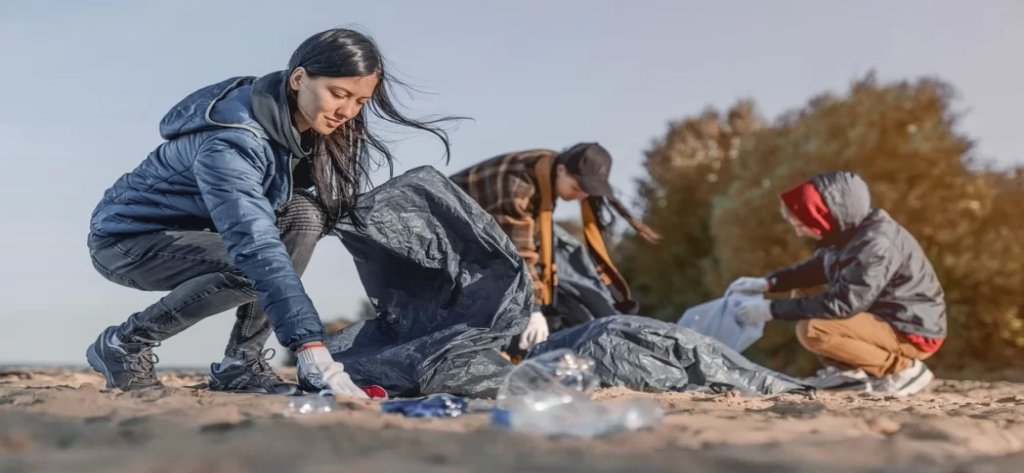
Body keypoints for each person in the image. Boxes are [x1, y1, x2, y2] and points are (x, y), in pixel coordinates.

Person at [86, 28, 453, 396]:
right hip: (127, 241)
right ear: (298, 79)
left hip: (205, 232)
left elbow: (292, 221)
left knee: (304, 214)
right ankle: (124, 344)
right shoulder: (233, 142)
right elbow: (254, 243)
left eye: (360, 101)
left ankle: (240, 363)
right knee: (254, 263)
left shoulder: (302, 130)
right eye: (338, 94)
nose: (348, 111)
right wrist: (311, 347)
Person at [727, 171, 947, 396]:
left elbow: (844, 304)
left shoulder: (876, 243)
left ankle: (903, 370)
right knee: (802, 290)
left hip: (912, 329)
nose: (799, 233)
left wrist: (770, 309)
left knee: (813, 329)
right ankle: (849, 373)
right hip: (885, 315)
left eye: (802, 225)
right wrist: (767, 283)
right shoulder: (846, 232)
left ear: (823, 215)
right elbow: (815, 270)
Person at [450, 143, 659, 350]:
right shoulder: (519, 188)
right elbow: (518, 252)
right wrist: (533, 309)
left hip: (481, 232)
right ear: (561, 170)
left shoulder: (549, 165)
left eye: (587, 192)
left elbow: (536, 241)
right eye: (577, 188)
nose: (580, 197)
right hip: (448, 231)